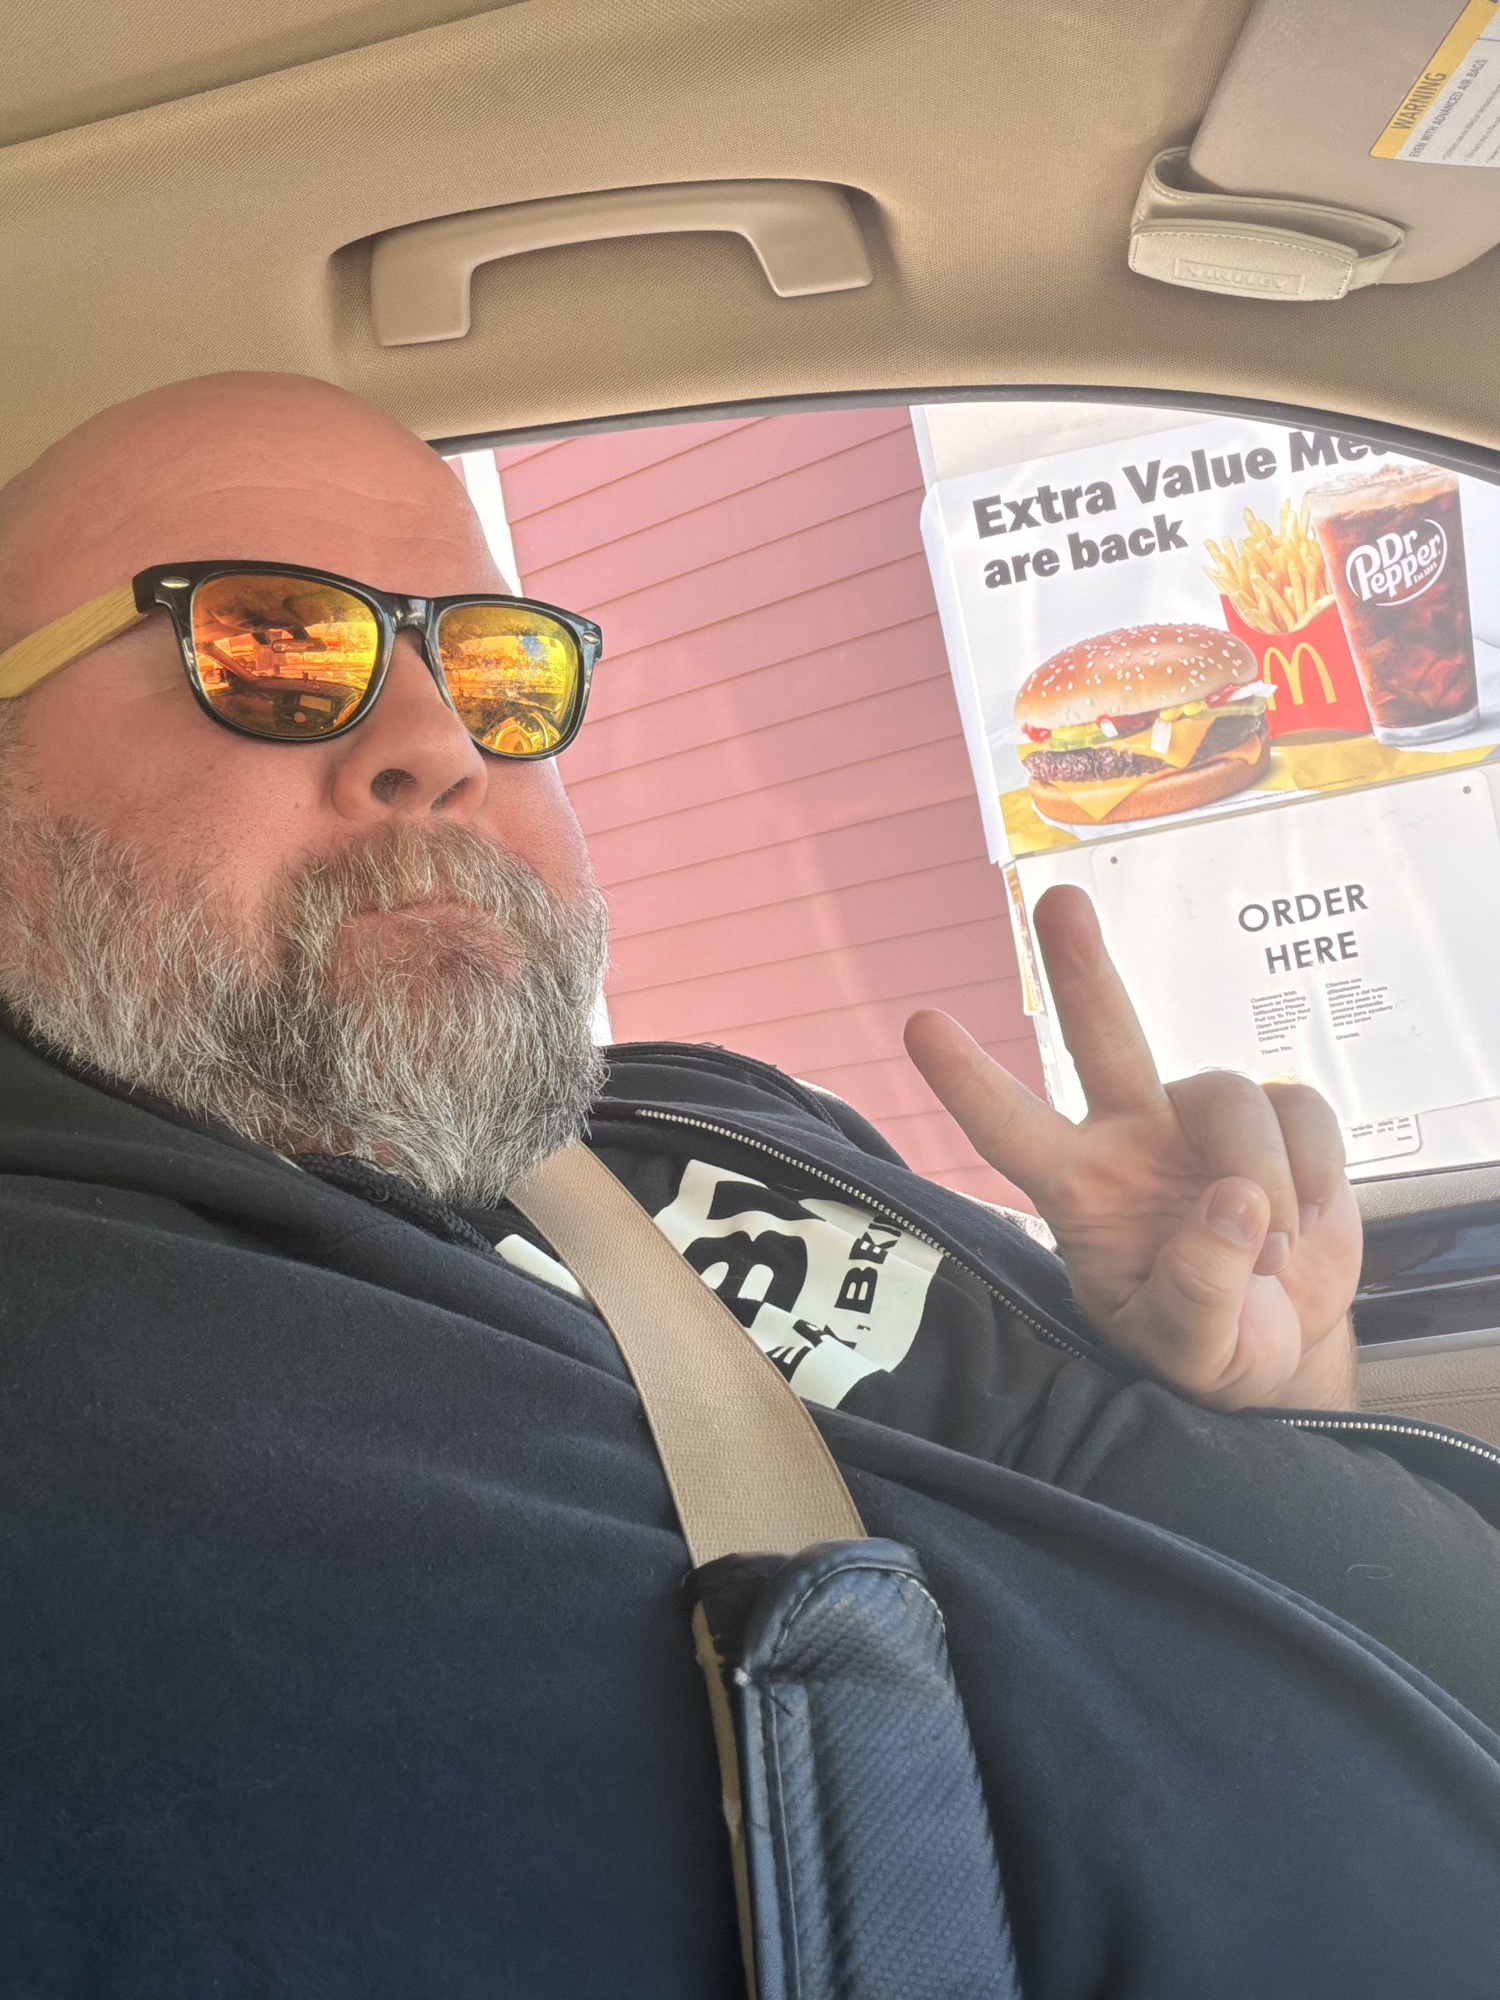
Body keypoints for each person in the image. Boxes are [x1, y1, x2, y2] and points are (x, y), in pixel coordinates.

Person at [0, 372, 1495, 1997]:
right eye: (272, 648)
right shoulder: (84, 1338)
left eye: (499, 673)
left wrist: (1266, 1390)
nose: (441, 744)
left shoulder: (703, 1105)